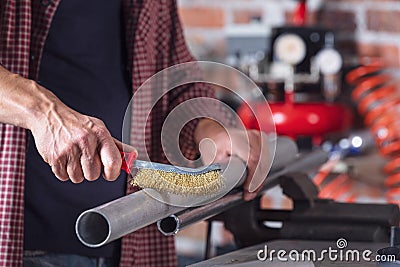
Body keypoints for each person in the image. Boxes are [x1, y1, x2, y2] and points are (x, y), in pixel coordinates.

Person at [0, 0, 270, 266]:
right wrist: (45, 113)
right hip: (20, 240)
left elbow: (174, 78)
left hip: (133, 237)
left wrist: (213, 129)